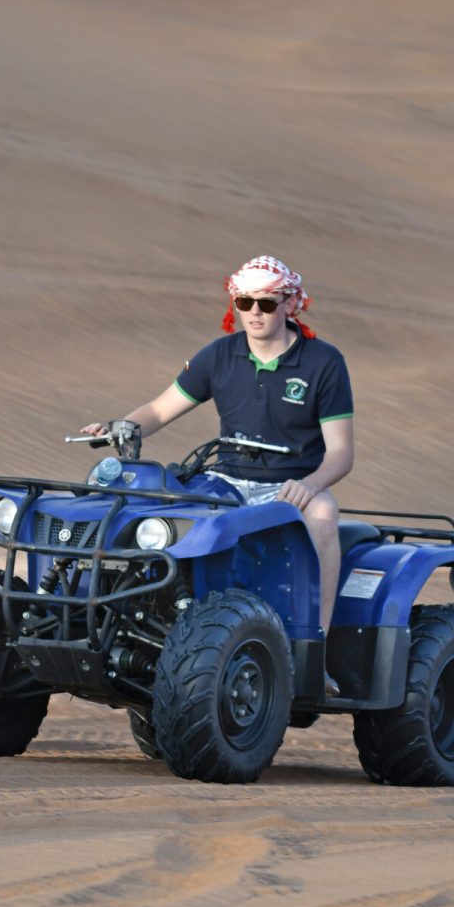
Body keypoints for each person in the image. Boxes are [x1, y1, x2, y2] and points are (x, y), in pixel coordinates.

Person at [81, 255, 354, 637]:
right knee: (156, 509)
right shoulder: (219, 354)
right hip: (223, 480)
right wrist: (122, 426)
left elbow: (341, 454)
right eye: (244, 303)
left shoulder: (323, 362)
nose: (254, 313)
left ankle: (315, 644)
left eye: (267, 303)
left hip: (289, 487)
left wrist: (311, 485)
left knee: (324, 514)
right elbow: (159, 410)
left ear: (290, 304)